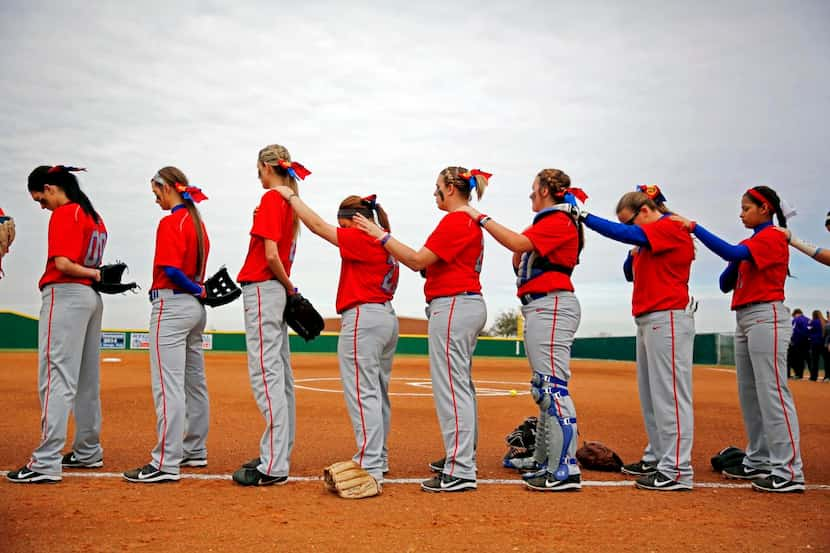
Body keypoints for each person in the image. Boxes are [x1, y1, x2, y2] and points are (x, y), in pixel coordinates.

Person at [353, 166, 490, 492]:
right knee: (461, 388)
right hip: (464, 304)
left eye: (438, 187)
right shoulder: (465, 221)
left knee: (452, 391)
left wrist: (380, 235)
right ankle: (462, 457)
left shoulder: (456, 220)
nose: (435, 193)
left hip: (455, 306)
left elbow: (416, 260)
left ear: (451, 189)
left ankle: (460, 468)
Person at [454, 169, 586, 492]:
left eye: (533, 189)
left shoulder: (559, 220)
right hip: (541, 305)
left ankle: (565, 468)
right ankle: (545, 459)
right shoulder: (548, 221)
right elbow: (519, 254)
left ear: (544, 190)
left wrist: (478, 216)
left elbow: (516, 243)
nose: (530, 194)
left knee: (552, 387)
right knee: (544, 388)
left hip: (552, 304)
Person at [672, 185, 805, 493]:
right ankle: (759, 459)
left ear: (765, 209)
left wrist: (695, 228)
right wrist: (738, 259)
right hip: (746, 317)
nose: (741, 213)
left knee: (772, 393)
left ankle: (788, 470)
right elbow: (723, 283)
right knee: (751, 396)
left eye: (747, 207)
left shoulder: (772, 236)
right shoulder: (753, 242)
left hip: (766, 315)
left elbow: (731, 253)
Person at [271, 187, 399, 485]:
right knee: (377, 392)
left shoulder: (362, 236)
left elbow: (316, 227)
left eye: (343, 225)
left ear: (355, 220)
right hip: (385, 317)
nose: (341, 231)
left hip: (363, 319)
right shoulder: (384, 240)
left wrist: (291, 197)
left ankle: (370, 463)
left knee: (362, 392)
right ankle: (378, 456)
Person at [580, 185, 696, 492]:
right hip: (649, 318)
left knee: (670, 397)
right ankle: (659, 459)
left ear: (645, 211)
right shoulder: (650, 236)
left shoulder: (670, 227)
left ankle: (677, 469)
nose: (627, 229)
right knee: (652, 399)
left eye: (630, 222)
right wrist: (636, 246)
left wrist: (584, 215)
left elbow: (626, 235)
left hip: (668, 316)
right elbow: (629, 272)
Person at [8, 166, 106, 483]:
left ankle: (46, 461)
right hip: (90, 300)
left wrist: (92, 274)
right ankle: (88, 450)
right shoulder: (94, 216)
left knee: (56, 378)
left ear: (51, 188)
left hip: (65, 295)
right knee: (87, 380)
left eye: (41, 199)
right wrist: (93, 276)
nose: (42, 206)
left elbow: (63, 263)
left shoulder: (65, 213)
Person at [123, 167, 211, 483]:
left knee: (168, 386)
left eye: (155, 192)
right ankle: (194, 450)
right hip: (195, 310)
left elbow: (172, 270)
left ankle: (165, 462)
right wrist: (198, 291)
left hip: (172, 305)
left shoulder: (172, 221)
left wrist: (196, 288)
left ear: (166, 188)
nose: (155, 198)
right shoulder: (199, 225)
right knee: (193, 383)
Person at [232, 144, 310, 486]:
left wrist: (290, 288)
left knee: (266, 375)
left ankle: (274, 464)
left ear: (267, 166)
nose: (257, 174)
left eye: (259, 168)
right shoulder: (288, 202)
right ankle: (278, 453)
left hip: (265, 287)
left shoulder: (272, 200)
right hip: (273, 291)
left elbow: (271, 255)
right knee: (279, 375)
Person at [788, 309, 811, 380]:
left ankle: (799, 374)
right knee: (809, 359)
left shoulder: (796, 320)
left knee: (798, 359)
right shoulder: (808, 319)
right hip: (808, 341)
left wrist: (793, 341)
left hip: (798, 342)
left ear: (796, 314)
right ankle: (813, 375)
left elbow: (794, 331)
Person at [808, 310, 826, 382]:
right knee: (826, 361)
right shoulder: (824, 322)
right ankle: (827, 376)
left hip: (815, 343)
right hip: (823, 343)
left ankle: (814, 377)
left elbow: (808, 331)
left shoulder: (812, 322)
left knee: (815, 361)